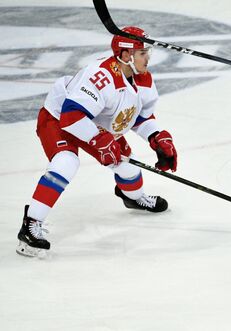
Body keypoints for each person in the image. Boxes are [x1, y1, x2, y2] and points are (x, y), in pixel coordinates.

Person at [16, 26, 178, 258]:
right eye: (142, 53)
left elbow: (140, 117)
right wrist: (99, 139)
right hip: (59, 118)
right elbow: (71, 116)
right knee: (66, 162)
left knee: (126, 165)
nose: (148, 57)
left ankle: (133, 198)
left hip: (93, 122)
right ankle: (31, 224)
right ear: (125, 55)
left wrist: (157, 137)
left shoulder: (142, 79)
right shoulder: (101, 76)